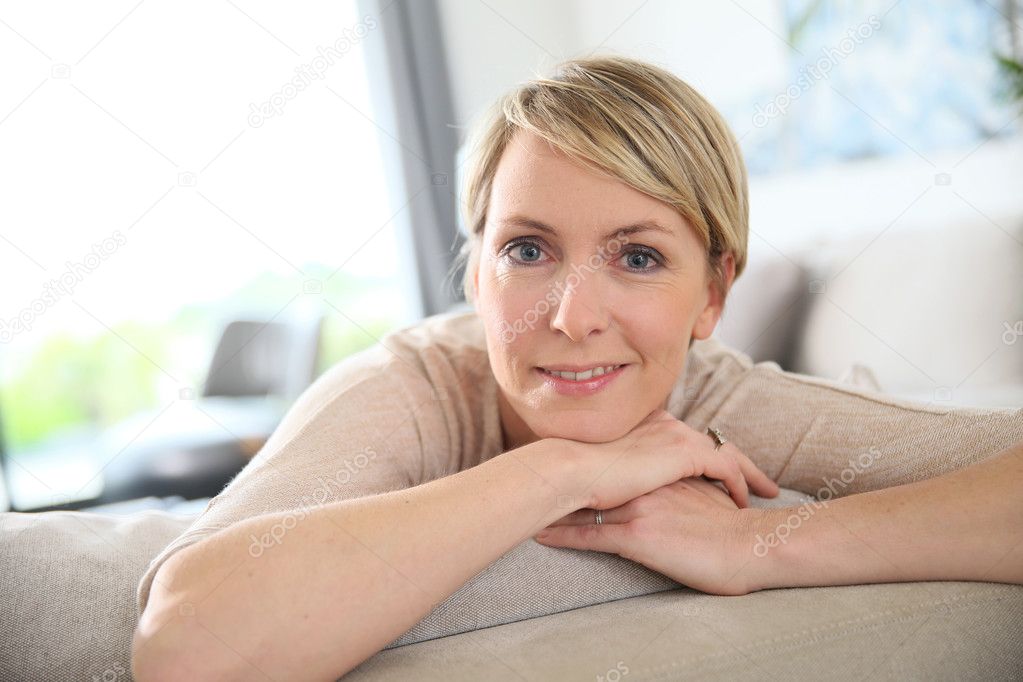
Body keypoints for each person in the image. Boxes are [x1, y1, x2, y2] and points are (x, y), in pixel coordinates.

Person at [131, 55, 1023, 681]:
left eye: (636, 258)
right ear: (474, 276)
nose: (572, 317)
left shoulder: (723, 401)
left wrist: (760, 544)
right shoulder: (413, 385)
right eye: (527, 250)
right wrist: (564, 468)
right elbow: (190, 649)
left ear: (712, 294)